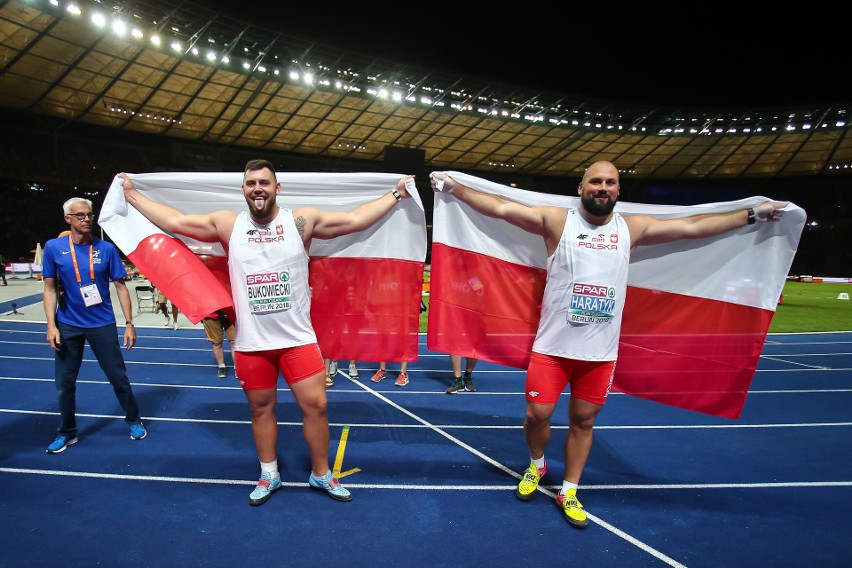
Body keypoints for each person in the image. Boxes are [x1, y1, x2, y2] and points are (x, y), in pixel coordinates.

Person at [431, 161, 787, 529]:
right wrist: (456, 189)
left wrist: (751, 214)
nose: (603, 187)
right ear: (582, 186)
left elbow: (692, 226)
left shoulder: (631, 228)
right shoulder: (557, 221)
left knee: (583, 421)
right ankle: (537, 464)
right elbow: (502, 208)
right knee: (537, 415)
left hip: (599, 355)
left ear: (618, 190)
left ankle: (569, 490)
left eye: (610, 182)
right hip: (552, 349)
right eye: (596, 181)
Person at [120, 159, 413, 506]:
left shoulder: (300, 221)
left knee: (317, 406)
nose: (257, 188)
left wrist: (396, 193)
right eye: (250, 183)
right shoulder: (228, 224)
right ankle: (269, 473)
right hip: (252, 343)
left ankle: (321, 474)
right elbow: (176, 222)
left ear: (277, 188)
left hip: (297, 340)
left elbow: (356, 220)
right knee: (261, 409)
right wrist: (132, 195)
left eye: (264, 182)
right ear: (243, 190)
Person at [41, 197, 147, 454]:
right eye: (80, 215)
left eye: (89, 214)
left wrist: (130, 323)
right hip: (68, 325)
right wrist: (51, 325)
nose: (86, 219)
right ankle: (67, 432)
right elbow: (49, 288)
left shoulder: (106, 249)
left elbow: (121, 287)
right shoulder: (54, 248)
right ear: (68, 219)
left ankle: (134, 420)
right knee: (64, 383)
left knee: (117, 377)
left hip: (102, 324)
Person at [204, 309, 235, 379]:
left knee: (235, 341)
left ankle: (238, 367)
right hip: (210, 313)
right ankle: (221, 366)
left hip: (231, 311)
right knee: (216, 342)